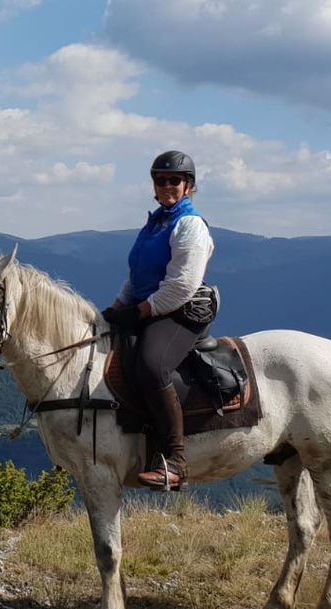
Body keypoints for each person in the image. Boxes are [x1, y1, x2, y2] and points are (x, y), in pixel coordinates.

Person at [101, 150, 214, 491]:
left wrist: (138, 312)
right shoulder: (155, 223)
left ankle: (175, 461)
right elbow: (136, 276)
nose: (166, 186)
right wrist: (115, 309)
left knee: (152, 365)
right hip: (150, 306)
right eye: (160, 180)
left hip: (181, 311)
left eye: (174, 180)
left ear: (188, 186)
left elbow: (181, 285)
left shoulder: (189, 225)